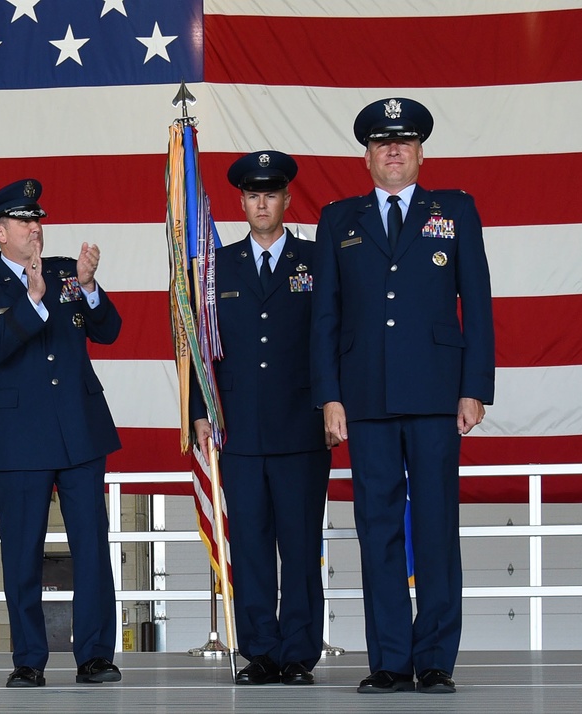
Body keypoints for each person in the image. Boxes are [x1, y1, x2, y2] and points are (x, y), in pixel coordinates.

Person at [310, 99, 495, 694]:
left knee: (437, 525)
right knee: (378, 527)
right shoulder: (340, 220)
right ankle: (390, 658)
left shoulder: (456, 211)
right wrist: (329, 396)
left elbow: (480, 305)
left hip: (438, 394)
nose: (394, 150)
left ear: (420, 152)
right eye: (383, 142)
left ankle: (436, 658)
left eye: (405, 141)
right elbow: (325, 319)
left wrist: (475, 387)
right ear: (367, 155)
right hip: (364, 396)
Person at [0, 178, 123, 688]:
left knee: (91, 547)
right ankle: (29, 658)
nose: (36, 229)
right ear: (0, 232)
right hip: (21, 436)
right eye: (25, 223)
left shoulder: (68, 274)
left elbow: (109, 331)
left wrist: (91, 287)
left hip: (79, 429)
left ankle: (94, 655)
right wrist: (31, 300)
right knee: (21, 550)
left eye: (38, 220)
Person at [192, 151, 332, 686]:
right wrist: (200, 411)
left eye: (271, 194)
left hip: (302, 426)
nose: (262, 204)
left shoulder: (316, 260)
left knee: (298, 546)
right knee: (250, 545)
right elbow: (198, 350)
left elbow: (332, 340)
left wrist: (332, 405)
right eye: (252, 195)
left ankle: (297, 652)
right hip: (240, 431)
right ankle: (259, 651)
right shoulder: (215, 268)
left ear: (287, 199)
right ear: (242, 202)